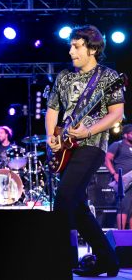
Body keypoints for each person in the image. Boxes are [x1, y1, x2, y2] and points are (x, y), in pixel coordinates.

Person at [46, 25, 124, 277]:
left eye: (76, 46)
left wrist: (88, 132)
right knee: (78, 208)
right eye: (70, 46)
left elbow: (116, 114)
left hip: (91, 146)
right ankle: (108, 261)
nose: (70, 51)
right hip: (65, 148)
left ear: (92, 48)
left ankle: (58, 263)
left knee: (63, 202)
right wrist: (52, 136)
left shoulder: (109, 77)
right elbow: (52, 110)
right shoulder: (64, 77)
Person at [104, 124, 132, 230]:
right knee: (124, 206)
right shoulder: (118, 145)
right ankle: (122, 234)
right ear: (125, 135)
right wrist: (114, 174)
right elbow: (107, 159)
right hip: (123, 180)